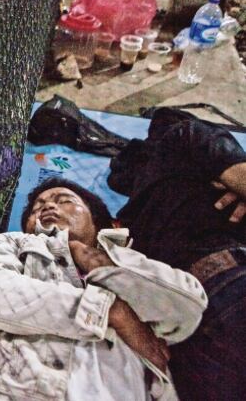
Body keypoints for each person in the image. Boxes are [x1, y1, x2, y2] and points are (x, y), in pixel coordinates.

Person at [0, 178, 207, 401]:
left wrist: (98, 262)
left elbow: (188, 308)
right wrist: (113, 311)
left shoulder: (132, 260)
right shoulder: (11, 243)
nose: (48, 206)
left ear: (98, 219)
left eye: (64, 200)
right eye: (36, 207)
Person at [108, 108, 246, 400]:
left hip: (207, 297)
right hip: (194, 314)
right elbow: (177, 126)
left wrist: (234, 172)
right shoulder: (181, 168)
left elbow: (174, 124)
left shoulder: (182, 157)